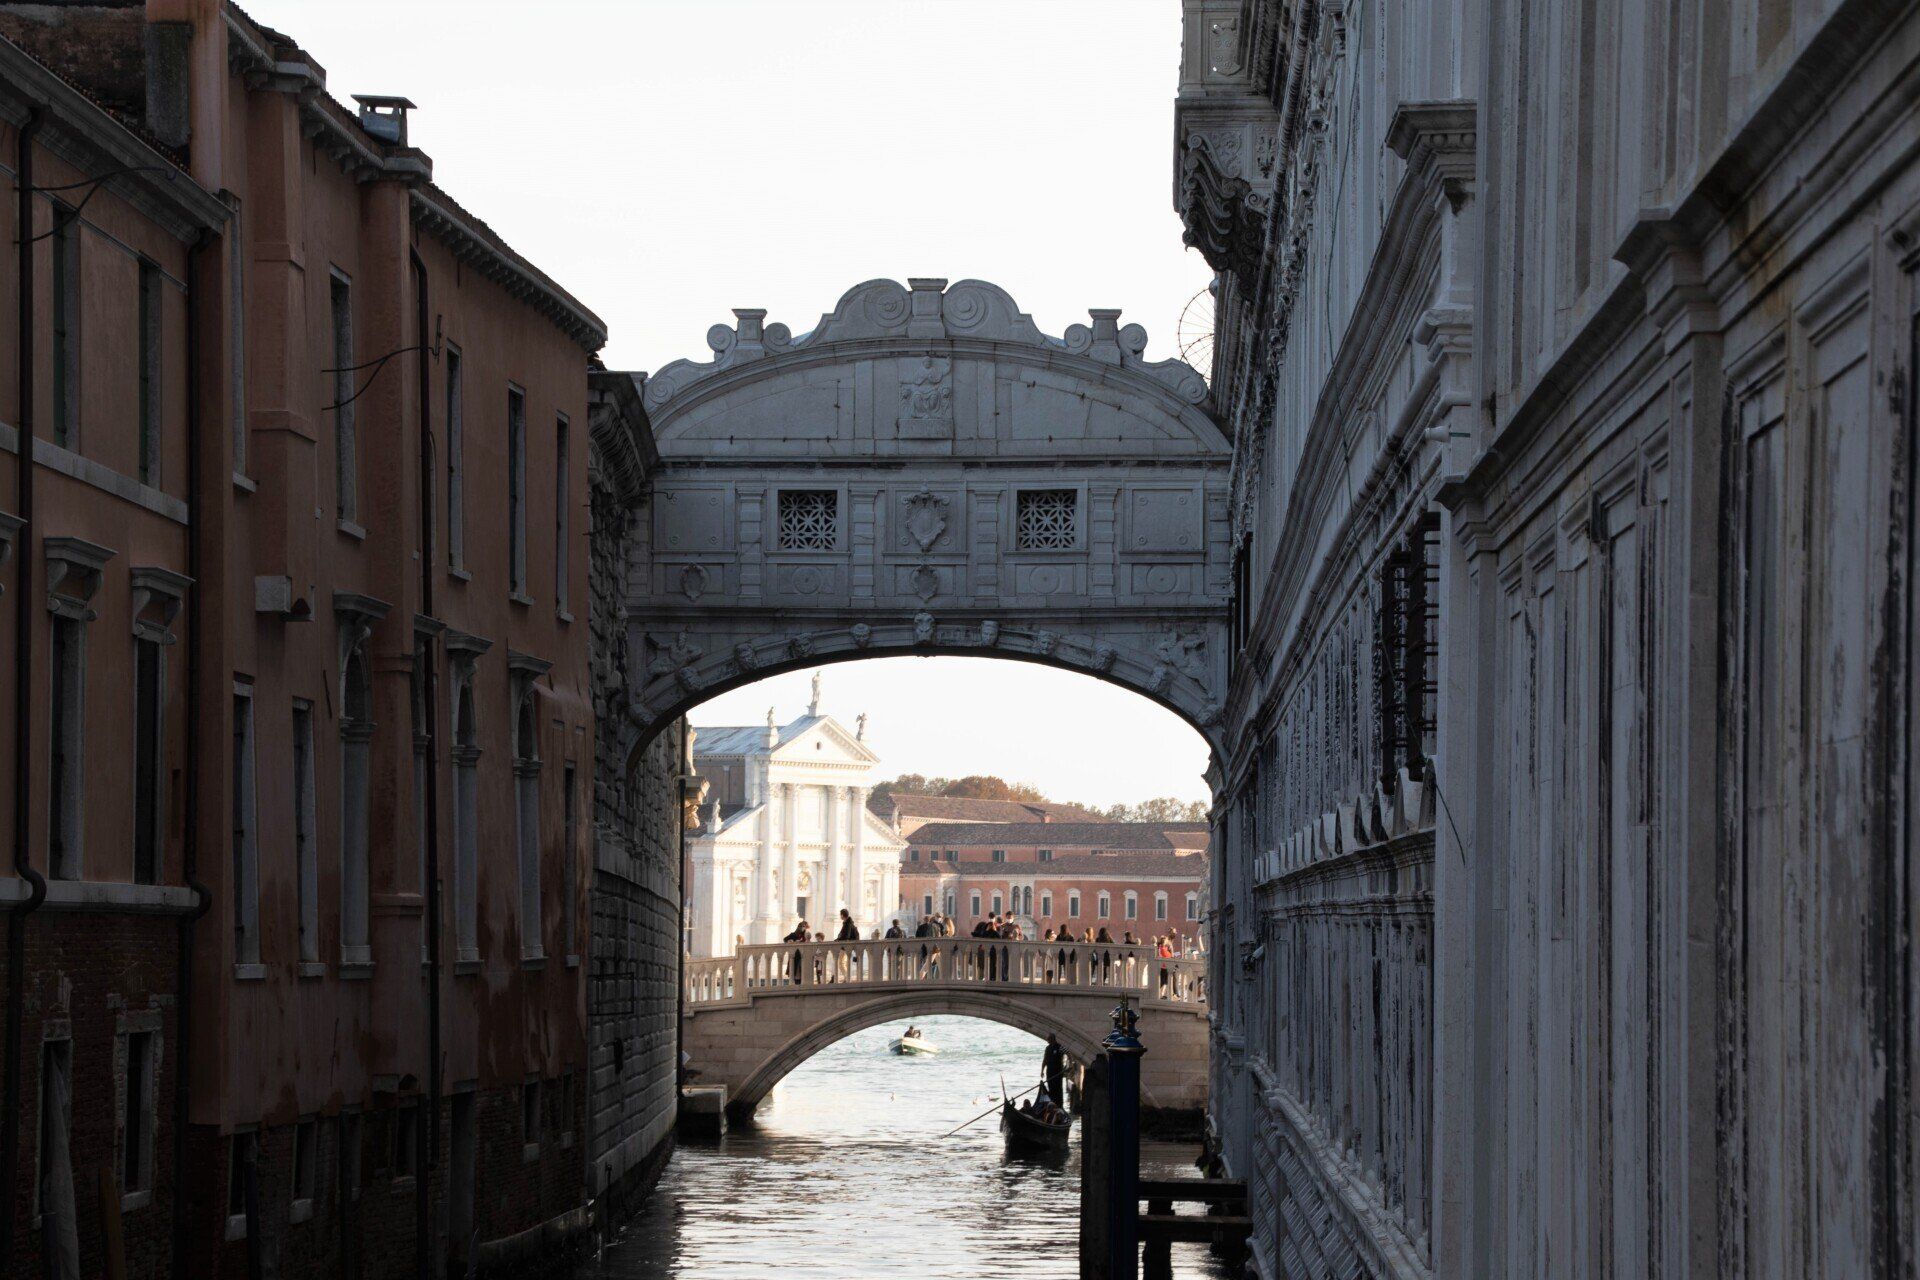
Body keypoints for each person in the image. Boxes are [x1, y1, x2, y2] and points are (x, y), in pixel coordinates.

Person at [1042, 1034, 1066, 1104]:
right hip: (1049, 1071)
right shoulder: (1047, 1048)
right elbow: (1045, 1060)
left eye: (1048, 1039)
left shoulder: (1060, 1047)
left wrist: (1070, 1063)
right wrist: (1042, 1071)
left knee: (1058, 1088)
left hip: (1058, 1071)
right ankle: (1052, 1102)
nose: (1047, 1041)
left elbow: (1068, 1053)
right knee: (1051, 1087)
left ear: (1052, 1039)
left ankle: (1058, 1103)